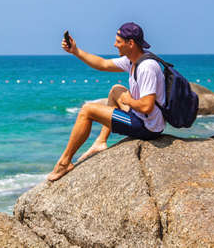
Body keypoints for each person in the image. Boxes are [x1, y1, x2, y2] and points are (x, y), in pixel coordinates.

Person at [47, 22, 165, 182]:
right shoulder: (133, 60)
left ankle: (64, 163)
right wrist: (75, 51)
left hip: (146, 127)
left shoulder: (146, 67)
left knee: (87, 110)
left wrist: (129, 100)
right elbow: (102, 64)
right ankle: (101, 141)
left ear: (130, 43)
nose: (114, 44)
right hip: (143, 117)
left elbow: (147, 106)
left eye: (118, 41)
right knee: (116, 89)